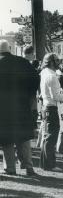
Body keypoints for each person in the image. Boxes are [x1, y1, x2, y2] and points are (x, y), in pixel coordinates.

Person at [0, 40, 39, 176]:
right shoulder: (22, 62)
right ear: (9, 48)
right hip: (22, 105)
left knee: (7, 139)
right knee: (23, 138)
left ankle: (10, 168)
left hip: (4, 108)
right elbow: (35, 80)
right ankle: (28, 167)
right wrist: (29, 95)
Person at [39, 53, 63, 171]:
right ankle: (49, 165)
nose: (59, 63)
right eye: (57, 60)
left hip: (46, 106)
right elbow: (56, 97)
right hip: (52, 108)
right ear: (52, 62)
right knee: (51, 137)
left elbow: (51, 93)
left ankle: (44, 163)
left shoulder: (44, 73)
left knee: (47, 136)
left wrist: (61, 91)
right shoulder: (52, 76)